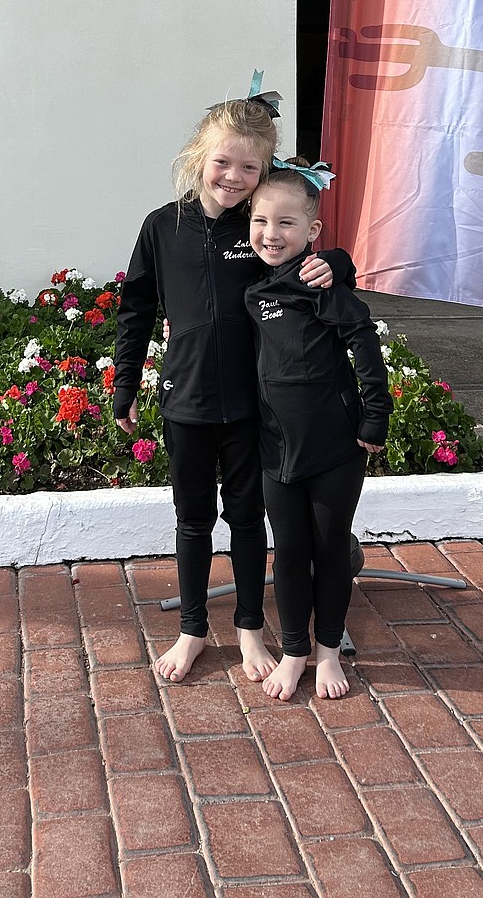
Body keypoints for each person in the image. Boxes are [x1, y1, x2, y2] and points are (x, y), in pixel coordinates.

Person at [112, 76, 352, 683]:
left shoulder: (259, 228)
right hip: (186, 401)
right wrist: (125, 386)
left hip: (254, 407)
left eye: (250, 166)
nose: (234, 176)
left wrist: (338, 265)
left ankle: (250, 631)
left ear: (264, 168)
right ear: (199, 156)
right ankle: (193, 629)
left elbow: (315, 251)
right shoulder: (161, 227)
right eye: (223, 161)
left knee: (247, 520)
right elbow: (136, 309)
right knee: (193, 520)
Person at [245, 158, 392, 701]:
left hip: (335, 448)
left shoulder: (321, 284)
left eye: (286, 223)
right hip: (276, 451)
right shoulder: (255, 294)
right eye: (261, 221)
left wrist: (375, 416)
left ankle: (328, 651)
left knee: (329, 550)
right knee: (287, 551)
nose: (271, 233)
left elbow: (364, 344)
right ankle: (294, 651)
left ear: (312, 231)